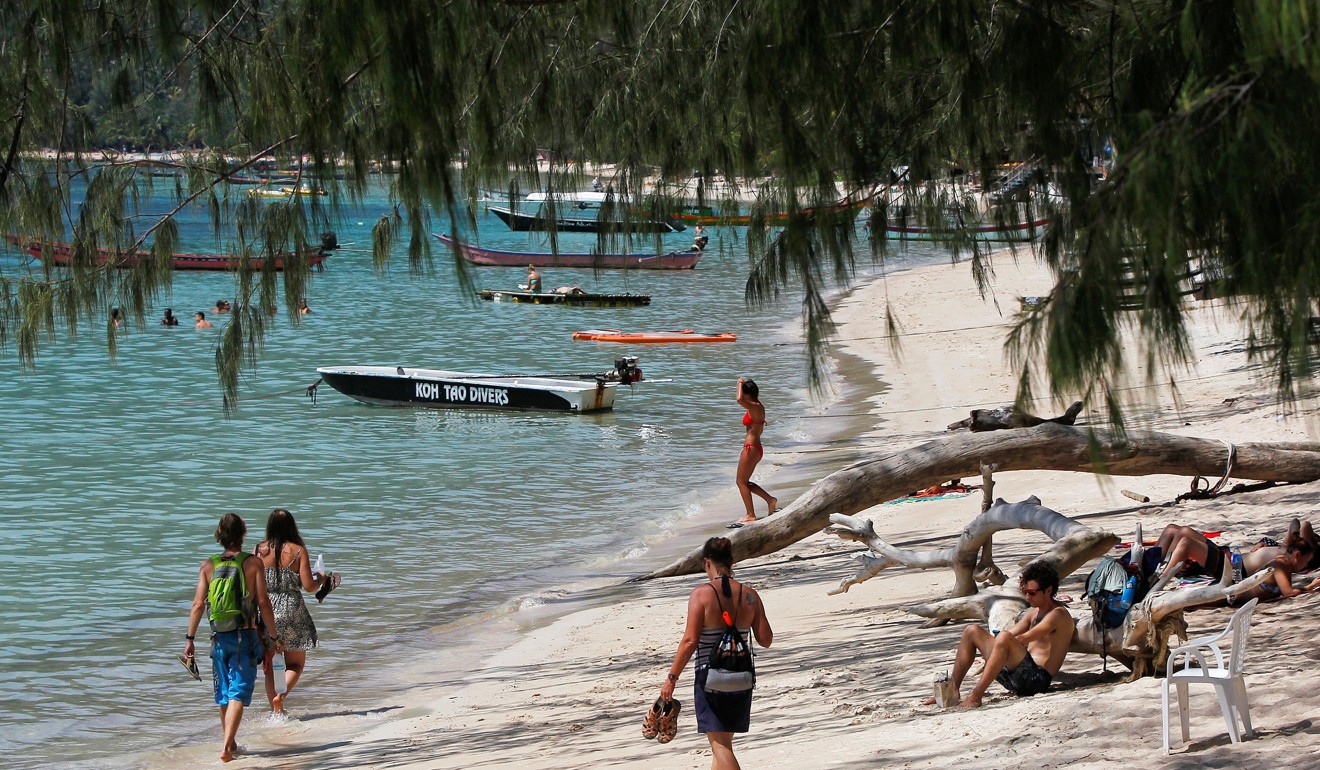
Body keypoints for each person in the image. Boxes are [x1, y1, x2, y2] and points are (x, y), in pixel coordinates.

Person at [660, 537, 772, 770]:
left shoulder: (701, 594)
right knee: (722, 743)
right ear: (731, 561)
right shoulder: (750, 595)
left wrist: (671, 678)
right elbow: (765, 639)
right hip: (741, 678)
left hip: (710, 678)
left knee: (720, 747)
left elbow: (690, 641)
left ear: (707, 562)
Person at [183, 513, 282, 763]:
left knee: (224, 693)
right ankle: (227, 747)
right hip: (244, 636)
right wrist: (274, 635)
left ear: (219, 535)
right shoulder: (252, 563)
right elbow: (263, 602)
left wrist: (189, 639)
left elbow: (197, 605)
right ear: (243, 533)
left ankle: (232, 742)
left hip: (218, 638)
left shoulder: (208, 565)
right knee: (238, 691)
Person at [922, 562, 1074, 708]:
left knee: (1004, 637)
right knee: (972, 631)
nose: (1027, 597)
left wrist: (1000, 645)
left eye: (1032, 593)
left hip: (1036, 680)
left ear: (1048, 590)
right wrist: (991, 649)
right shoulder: (1033, 612)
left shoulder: (1058, 614)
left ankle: (976, 696)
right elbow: (1010, 634)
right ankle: (953, 689)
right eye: (1025, 592)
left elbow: (1025, 638)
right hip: (1015, 676)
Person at [253, 508, 332, 715]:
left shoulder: (258, 550)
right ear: (292, 526)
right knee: (295, 663)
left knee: (270, 664)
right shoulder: (298, 551)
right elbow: (308, 586)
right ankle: (281, 697)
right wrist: (322, 578)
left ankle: (275, 711)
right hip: (291, 609)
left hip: (266, 610)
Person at [731, 377, 776, 526]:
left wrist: (739, 383)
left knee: (740, 481)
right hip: (753, 448)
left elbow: (738, 399)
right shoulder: (757, 406)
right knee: (745, 482)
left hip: (751, 448)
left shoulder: (755, 407)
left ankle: (750, 514)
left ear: (747, 393)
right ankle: (770, 500)